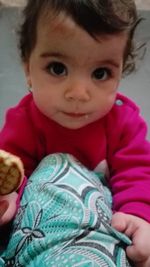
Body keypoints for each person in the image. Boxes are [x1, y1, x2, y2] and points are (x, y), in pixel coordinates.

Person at [0, 0, 150, 266]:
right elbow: (12, 174)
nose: (79, 94)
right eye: (58, 68)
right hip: (41, 228)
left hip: (104, 225)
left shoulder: (123, 122)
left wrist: (138, 214)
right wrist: (8, 196)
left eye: (101, 73)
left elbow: (137, 172)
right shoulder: (24, 121)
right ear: (28, 68)